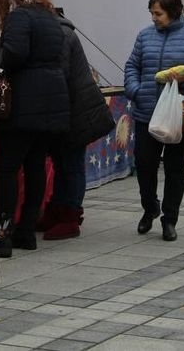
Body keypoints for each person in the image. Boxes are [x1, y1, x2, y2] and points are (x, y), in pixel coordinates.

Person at [0, 0, 71, 257]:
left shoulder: (18, 17)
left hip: (25, 101)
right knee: (36, 165)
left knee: (8, 169)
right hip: (52, 98)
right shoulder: (48, 15)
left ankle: (2, 234)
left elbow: (14, 53)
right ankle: (26, 231)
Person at [124, 0, 184, 242]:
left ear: (174, 12)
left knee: (175, 168)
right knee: (144, 165)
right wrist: (135, 90)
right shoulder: (144, 35)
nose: (154, 18)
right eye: (151, 13)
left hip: (180, 114)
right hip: (146, 111)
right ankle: (150, 207)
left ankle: (170, 219)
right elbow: (132, 66)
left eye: (158, 13)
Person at [36, 15, 115, 240]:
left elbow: (57, 74)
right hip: (69, 108)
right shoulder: (60, 31)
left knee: (71, 164)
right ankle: (57, 210)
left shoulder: (60, 35)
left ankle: (70, 216)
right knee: (63, 163)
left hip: (74, 110)